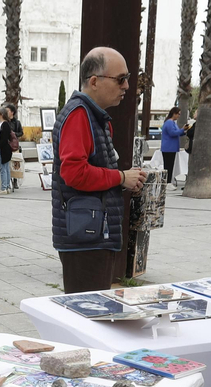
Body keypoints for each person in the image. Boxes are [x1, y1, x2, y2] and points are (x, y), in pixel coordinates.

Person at [51, 47, 145, 293]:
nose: (126, 86)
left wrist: (123, 180)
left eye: (127, 78)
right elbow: (74, 173)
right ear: (94, 81)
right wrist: (121, 177)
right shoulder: (79, 115)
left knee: (93, 313)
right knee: (90, 316)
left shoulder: (91, 116)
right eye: (120, 79)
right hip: (86, 237)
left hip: (90, 233)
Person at [159, 106, 184, 186]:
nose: (179, 116)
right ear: (174, 113)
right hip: (168, 148)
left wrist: (184, 131)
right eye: (178, 114)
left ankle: (168, 181)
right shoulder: (169, 122)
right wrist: (182, 129)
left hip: (171, 148)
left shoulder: (172, 122)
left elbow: (177, 132)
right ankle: (167, 182)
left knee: (170, 165)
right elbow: (172, 133)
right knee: (168, 166)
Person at [0, 106, 16, 193]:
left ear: (1, 114)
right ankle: (6, 186)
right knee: (5, 168)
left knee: (3, 168)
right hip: (2, 148)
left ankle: (4, 187)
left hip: (3, 149)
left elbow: (4, 138)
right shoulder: (2, 124)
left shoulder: (5, 124)